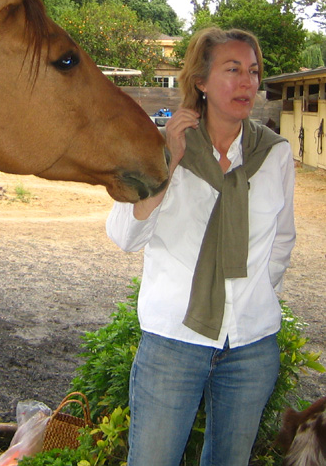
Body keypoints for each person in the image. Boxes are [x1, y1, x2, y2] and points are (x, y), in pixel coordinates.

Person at [106, 26, 296, 466]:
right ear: (201, 82)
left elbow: (281, 241)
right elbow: (124, 235)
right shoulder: (161, 146)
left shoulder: (275, 154)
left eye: (253, 71)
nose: (247, 82)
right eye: (233, 70)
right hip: (173, 342)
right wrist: (168, 162)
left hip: (250, 347)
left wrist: (254, 295)